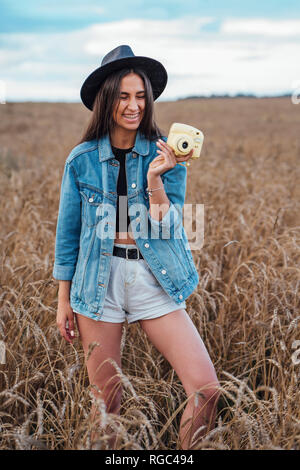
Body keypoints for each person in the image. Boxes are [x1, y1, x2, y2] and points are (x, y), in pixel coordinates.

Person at [53, 45, 220, 450]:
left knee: (206, 388)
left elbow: (169, 227)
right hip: (98, 283)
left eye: (141, 96)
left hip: (152, 278)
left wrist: (156, 180)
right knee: (107, 406)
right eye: (124, 96)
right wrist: (63, 299)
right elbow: (68, 233)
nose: (134, 106)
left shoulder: (165, 153)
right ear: (107, 100)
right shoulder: (81, 161)